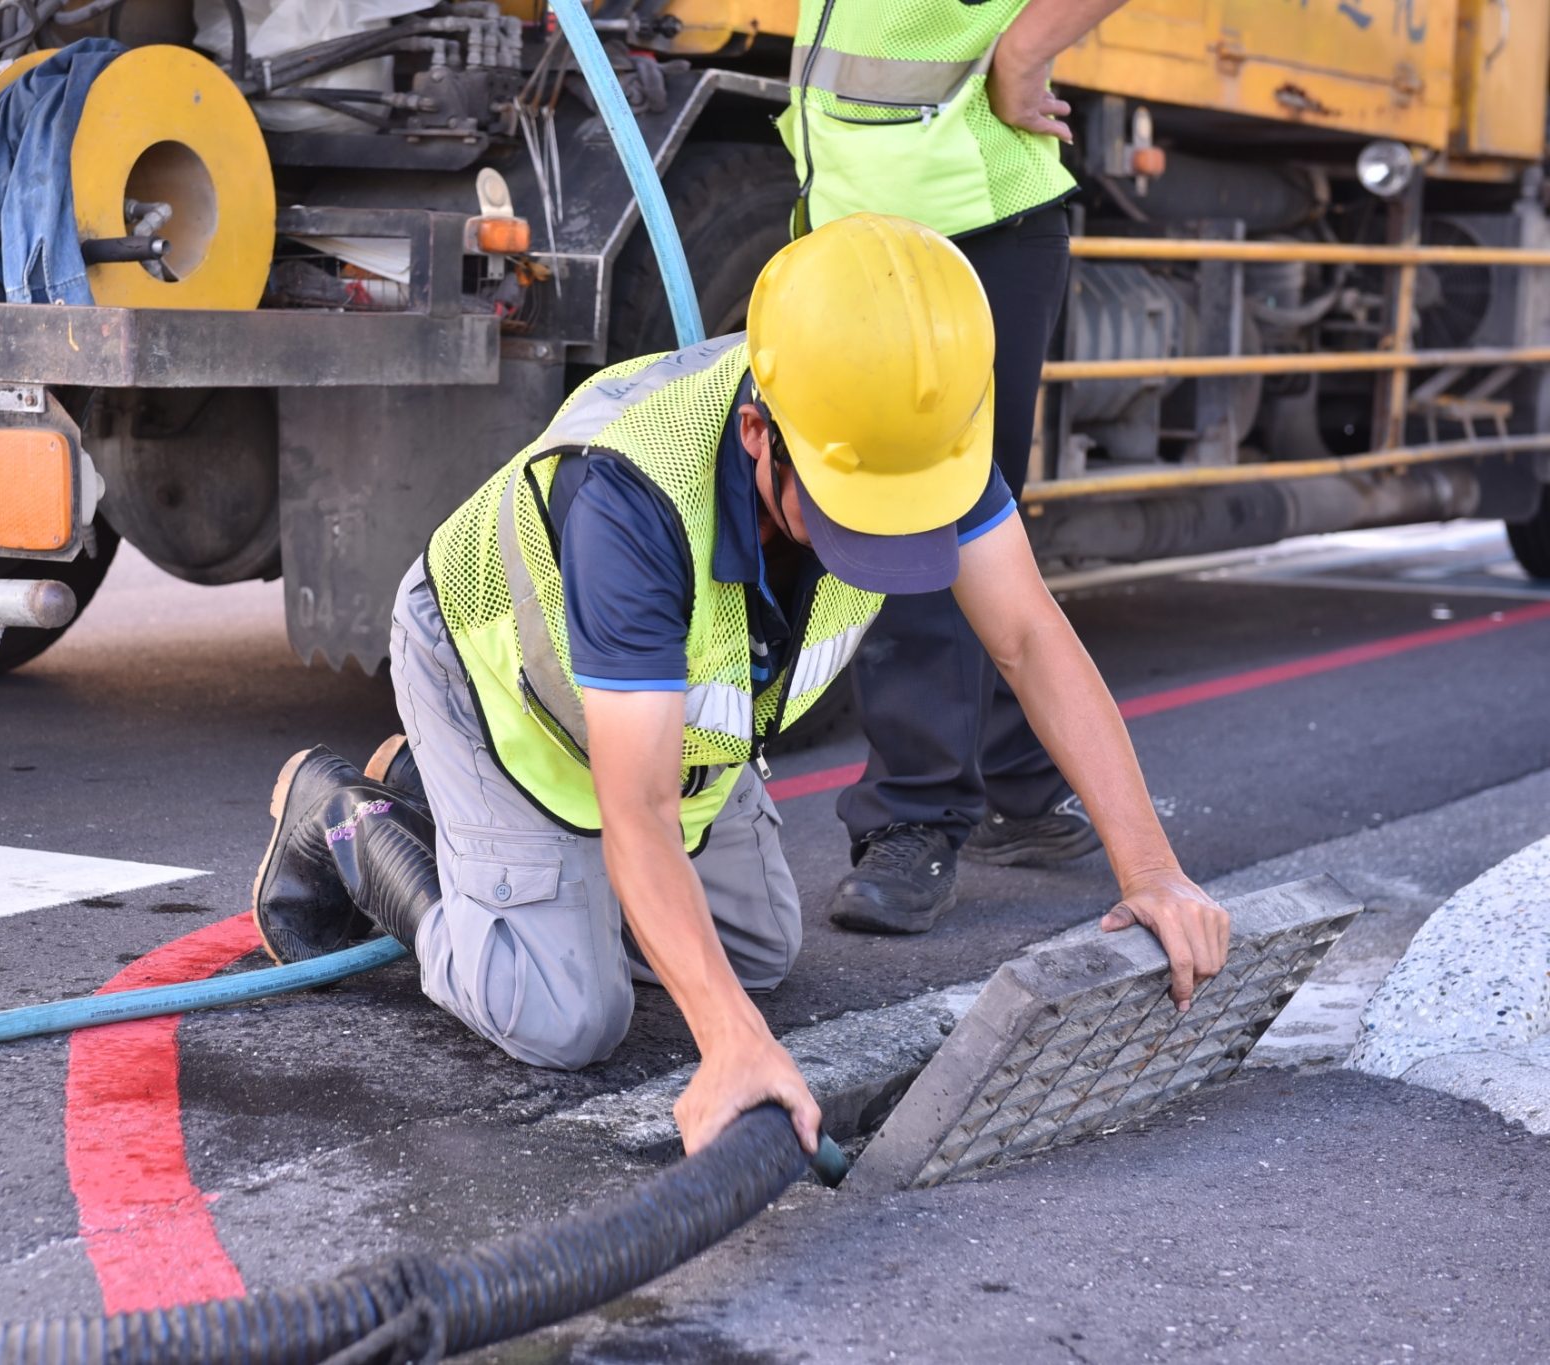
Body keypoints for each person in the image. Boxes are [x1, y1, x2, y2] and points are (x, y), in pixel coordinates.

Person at [251, 214, 1228, 1156]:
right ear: (759, 434)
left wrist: (1151, 874)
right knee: (565, 1018)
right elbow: (632, 807)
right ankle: (349, 824)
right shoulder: (634, 498)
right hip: (500, 682)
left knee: (750, 958)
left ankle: (458, 816)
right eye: (854, 515)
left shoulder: (907, 430)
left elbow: (1028, 638)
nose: (884, 543)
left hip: (641, 722)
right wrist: (729, 1047)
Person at [779, 0, 1135, 933]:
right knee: (980, 516)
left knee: (928, 513)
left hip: (967, 219)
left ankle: (917, 815)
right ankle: (1019, 775)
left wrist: (1024, 52)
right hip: (856, 218)